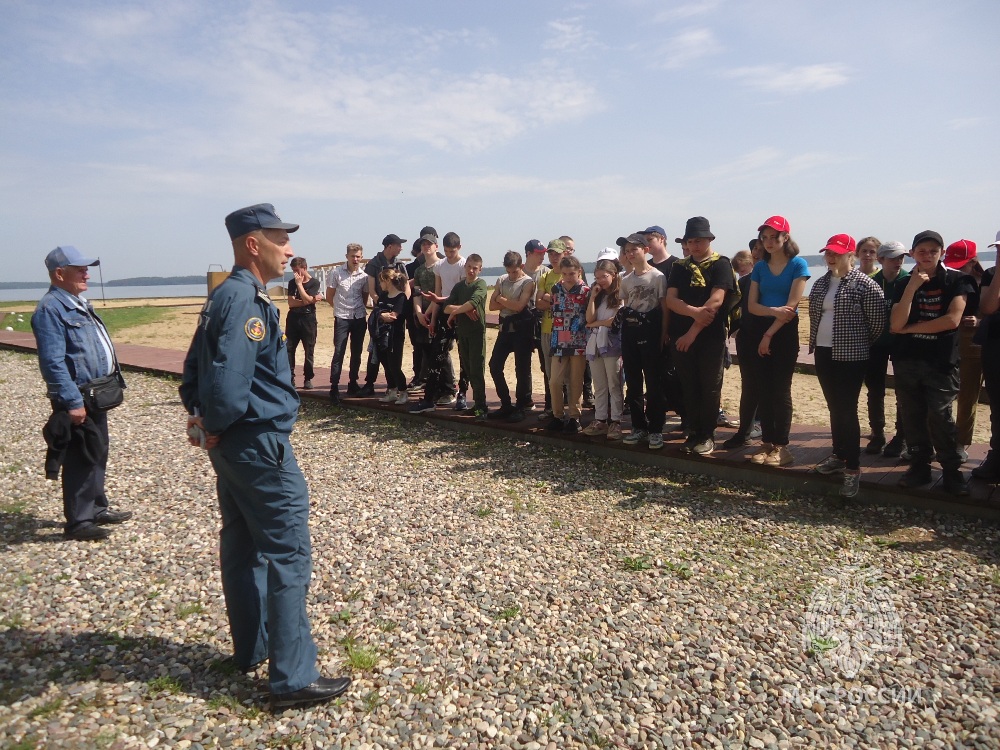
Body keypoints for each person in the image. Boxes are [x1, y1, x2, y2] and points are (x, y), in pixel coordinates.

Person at [179, 203, 351, 709]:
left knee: (241, 544)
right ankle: (293, 677)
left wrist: (202, 419)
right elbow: (229, 386)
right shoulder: (247, 302)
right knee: (288, 551)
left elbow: (193, 370)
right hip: (258, 443)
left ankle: (251, 648)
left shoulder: (224, 296)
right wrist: (214, 422)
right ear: (253, 244)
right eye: (281, 239)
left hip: (234, 446)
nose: (291, 249)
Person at [32, 245, 132, 541]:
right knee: (81, 456)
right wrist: (72, 402)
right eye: (79, 269)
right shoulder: (51, 309)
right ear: (59, 274)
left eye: (86, 268)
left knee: (97, 451)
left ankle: (97, 507)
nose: (86, 272)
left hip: (94, 394)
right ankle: (79, 521)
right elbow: (52, 362)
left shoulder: (77, 302)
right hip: (78, 397)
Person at [889, 230, 974, 496]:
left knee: (940, 415)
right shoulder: (904, 283)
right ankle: (919, 467)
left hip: (941, 362)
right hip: (908, 360)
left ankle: (951, 471)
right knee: (911, 416)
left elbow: (952, 320)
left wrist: (909, 328)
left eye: (933, 251)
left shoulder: (958, 280)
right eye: (922, 251)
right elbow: (895, 324)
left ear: (942, 253)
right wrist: (913, 287)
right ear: (913, 253)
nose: (927, 256)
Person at [808, 235, 887, 498]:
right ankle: (838, 455)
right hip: (823, 352)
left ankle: (853, 468)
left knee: (847, 409)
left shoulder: (865, 284)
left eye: (837, 253)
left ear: (850, 254)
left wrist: (857, 344)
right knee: (834, 407)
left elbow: (876, 325)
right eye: (828, 253)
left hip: (851, 356)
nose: (831, 257)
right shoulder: (820, 284)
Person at [666, 217, 737, 455]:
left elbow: (716, 300)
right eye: (691, 241)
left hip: (710, 336)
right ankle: (693, 432)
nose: (695, 245)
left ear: (710, 240)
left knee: (710, 386)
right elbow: (671, 299)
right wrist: (693, 312)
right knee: (689, 385)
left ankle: (707, 435)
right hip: (681, 335)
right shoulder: (680, 267)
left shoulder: (721, 264)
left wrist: (692, 332)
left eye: (699, 240)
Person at [744, 216, 810, 467]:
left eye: (774, 237)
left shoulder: (798, 265)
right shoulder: (760, 267)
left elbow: (791, 308)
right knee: (763, 389)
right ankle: (767, 443)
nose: (769, 242)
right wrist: (773, 312)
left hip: (783, 333)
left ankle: (782, 447)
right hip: (761, 328)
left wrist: (769, 333)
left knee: (780, 390)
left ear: (786, 238)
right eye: (765, 237)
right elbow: (752, 306)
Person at [618, 233, 669, 448]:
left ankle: (656, 429)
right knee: (634, 383)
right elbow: (626, 304)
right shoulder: (625, 279)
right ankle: (638, 426)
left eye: (634, 250)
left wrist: (664, 334)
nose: (630, 254)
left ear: (645, 250)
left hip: (651, 332)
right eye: (627, 251)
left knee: (654, 382)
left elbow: (664, 308)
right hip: (630, 333)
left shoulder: (657, 277)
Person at [865, 241, 910, 456]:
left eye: (901, 257)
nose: (898, 261)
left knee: (903, 390)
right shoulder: (871, 281)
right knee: (875, 389)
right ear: (880, 259)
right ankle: (877, 433)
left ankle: (901, 437)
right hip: (875, 343)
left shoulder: (910, 280)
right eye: (892, 257)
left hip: (902, 343)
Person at [943, 239, 984, 461]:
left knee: (968, 397)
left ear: (973, 261)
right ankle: (940, 439)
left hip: (973, 343)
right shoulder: (948, 279)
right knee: (942, 394)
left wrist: (979, 319)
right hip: (948, 340)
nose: (957, 269)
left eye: (962, 265)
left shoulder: (983, 280)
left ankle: (961, 442)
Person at [358, 234, 410, 397]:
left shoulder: (400, 265)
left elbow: (406, 287)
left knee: (394, 355)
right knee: (375, 351)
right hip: (381, 311)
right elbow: (372, 290)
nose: (401, 248)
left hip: (396, 316)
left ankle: (394, 387)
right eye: (398, 245)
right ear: (389, 246)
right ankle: (369, 383)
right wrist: (381, 306)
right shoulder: (374, 264)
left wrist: (402, 304)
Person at [487, 251, 536, 422]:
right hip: (505, 329)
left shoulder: (528, 282)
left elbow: (520, 306)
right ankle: (506, 403)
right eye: (509, 271)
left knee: (522, 369)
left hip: (522, 330)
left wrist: (501, 299)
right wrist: (505, 302)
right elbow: (492, 306)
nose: (511, 275)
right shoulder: (501, 279)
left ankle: (521, 406)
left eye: (514, 271)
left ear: (521, 267)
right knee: (494, 365)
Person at [544, 255, 590, 433]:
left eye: (572, 273)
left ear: (579, 272)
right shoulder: (556, 289)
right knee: (555, 380)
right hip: (559, 339)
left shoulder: (586, 291)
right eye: (565, 274)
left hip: (579, 340)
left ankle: (574, 417)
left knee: (576, 381)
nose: (568, 277)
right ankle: (557, 415)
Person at [442, 254, 489, 419]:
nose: (471, 270)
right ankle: (476, 405)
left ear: (480, 270)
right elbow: (445, 307)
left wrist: (458, 310)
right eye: (469, 267)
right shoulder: (459, 286)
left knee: (477, 369)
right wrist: (463, 310)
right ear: (465, 267)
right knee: (468, 369)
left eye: (475, 268)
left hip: (476, 333)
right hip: (462, 333)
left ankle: (481, 406)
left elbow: (474, 302)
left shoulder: (481, 284)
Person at [583, 258, 625, 439]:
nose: (600, 280)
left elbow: (615, 320)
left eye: (604, 276)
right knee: (599, 384)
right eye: (597, 277)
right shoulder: (598, 295)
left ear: (614, 275)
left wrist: (596, 324)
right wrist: (592, 296)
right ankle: (600, 419)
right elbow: (588, 319)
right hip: (595, 343)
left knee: (614, 383)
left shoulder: (621, 293)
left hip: (612, 343)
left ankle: (616, 421)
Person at [972, 230, 1000, 482]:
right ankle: (996, 458)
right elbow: (988, 307)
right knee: (997, 404)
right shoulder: (991, 274)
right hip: (995, 345)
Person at [326, 243, 369, 404]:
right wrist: (338, 309)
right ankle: (334, 386)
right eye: (353, 256)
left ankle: (353, 382)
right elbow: (329, 295)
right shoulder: (336, 273)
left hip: (358, 317)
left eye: (358, 256)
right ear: (347, 257)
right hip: (342, 317)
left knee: (356, 352)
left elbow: (364, 297)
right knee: (339, 351)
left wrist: (358, 309)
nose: (356, 259)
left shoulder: (364, 276)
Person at [534, 240, 569, 420]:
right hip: (547, 329)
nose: (554, 257)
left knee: (567, 374)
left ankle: (570, 410)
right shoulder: (545, 277)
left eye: (557, 254)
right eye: (551, 254)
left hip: (564, 330)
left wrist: (550, 299)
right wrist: (555, 299)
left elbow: (567, 302)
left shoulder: (567, 276)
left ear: (564, 254)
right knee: (550, 373)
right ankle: (554, 410)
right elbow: (538, 303)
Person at [409, 233, 441, 396]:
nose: (427, 246)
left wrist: (428, 314)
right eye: (424, 244)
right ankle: (429, 385)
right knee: (425, 350)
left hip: (438, 314)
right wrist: (419, 314)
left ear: (436, 246)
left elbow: (438, 292)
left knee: (440, 352)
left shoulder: (441, 266)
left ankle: (446, 387)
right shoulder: (419, 270)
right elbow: (416, 294)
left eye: (430, 244)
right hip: (422, 317)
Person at [372, 268, 409, 404]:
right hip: (381, 335)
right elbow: (377, 312)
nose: (380, 284)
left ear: (387, 280)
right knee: (385, 363)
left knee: (394, 364)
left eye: (381, 281)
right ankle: (392, 390)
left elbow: (393, 316)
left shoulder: (401, 297)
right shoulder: (383, 296)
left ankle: (403, 391)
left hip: (395, 336)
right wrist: (381, 315)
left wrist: (382, 315)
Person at [285, 257, 322, 390]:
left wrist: (300, 286)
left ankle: (308, 378)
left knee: (309, 349)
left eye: (297, 270)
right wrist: (310, 300)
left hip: (308, 319)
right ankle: (290, 378)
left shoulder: (314, 283)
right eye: (293, 271)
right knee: (289, 349)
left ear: (305, 268)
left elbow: (306, 301)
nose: (295, 274)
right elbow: (291, 302)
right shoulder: (291, 283)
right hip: (293, 318)